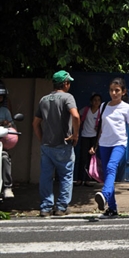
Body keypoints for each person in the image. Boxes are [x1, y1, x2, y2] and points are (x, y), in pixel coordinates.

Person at [32, 70, 80, 217]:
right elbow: (76, 116)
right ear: (65, 84)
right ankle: (61, 207)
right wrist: (75, 135)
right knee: (66, 175)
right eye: (69, 82)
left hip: (47, 145)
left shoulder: (43, 100)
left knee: (46, 176)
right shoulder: (68, 97)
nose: (69, 85)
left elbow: (35, 124)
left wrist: (42, 139)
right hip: (63, 144)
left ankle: (45, 208)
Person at [91, 77, 129, 218]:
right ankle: (112, 209)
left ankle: (104, 195)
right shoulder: (104, 106)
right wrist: (95, 144)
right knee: (107, 175)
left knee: (112, 167)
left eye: (117, 90)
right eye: (111, 90)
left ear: (123, 92)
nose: (114, 93)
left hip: (119, 143)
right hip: (104, 144)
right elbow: (100, 127)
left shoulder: (126, 108)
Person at [75, 93, 102, 187]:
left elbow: (102, 126)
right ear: (91, 101)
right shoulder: (86, 110)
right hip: (85, 136)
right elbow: (77, 117)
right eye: (95, 100)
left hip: (94, 137)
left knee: (91, 159)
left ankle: (88, 179)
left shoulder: (100, 112)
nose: (96, 102)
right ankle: (79, 179)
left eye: (98, 100)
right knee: (83, 158)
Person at [0, 86, 15, 199]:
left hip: (1, 142)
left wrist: (8, 124)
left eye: (1, 96)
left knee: (4, 157)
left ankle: (7, 186)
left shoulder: (5, 111)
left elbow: (12, 125)